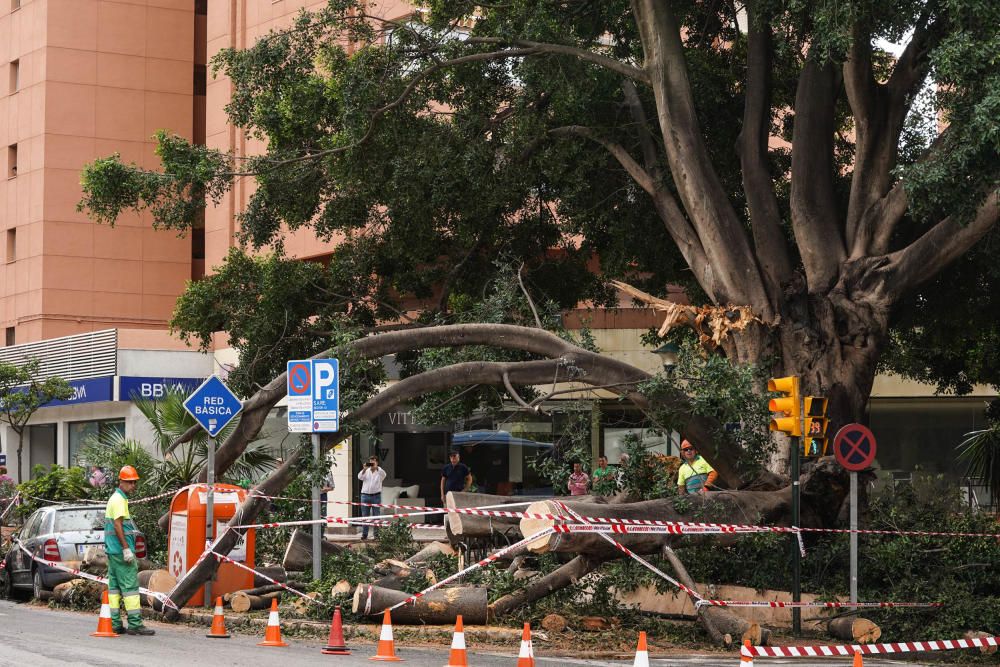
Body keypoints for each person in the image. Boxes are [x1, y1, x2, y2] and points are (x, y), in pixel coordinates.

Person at [104, 465, 154, 635]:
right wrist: (126, 548)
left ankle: (115, 624)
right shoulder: (119, 500)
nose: (133, 485)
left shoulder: (116, 498)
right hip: (120, 551)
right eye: (130, 482)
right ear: (122, 481)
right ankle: (135, 624)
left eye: (134, 482)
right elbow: (118, 525)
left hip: (112, 552)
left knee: (115, 588)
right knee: (131, 588)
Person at [357, 456, 386, 540]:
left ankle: (376, 535)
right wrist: (364, 469)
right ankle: (364, 534)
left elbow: (384, 475)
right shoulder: (366, 471)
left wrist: (377, 467)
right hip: (365, 496)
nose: (371, 463)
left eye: (373, 461)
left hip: (376, 496)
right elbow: (359, 477)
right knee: (365, 516)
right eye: (370, 461)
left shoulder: (380, 472)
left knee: (376, 516)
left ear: (377, 462)